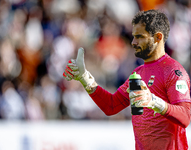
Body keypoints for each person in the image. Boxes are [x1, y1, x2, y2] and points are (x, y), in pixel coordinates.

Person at [63, 9, 191, 150]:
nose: (133, 42)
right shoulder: (138, 73)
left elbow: (185, 117)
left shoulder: (173, 71)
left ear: (158, 38)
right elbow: (111, 106)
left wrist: (154, 102)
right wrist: (85, 78)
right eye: (133, 36)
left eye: (139, 36)